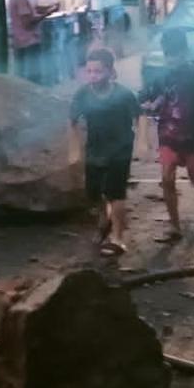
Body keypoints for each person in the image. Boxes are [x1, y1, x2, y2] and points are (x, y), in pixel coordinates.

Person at [142, 27, 194, 241]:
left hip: (192, 136)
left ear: (184, 53)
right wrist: (148, 106)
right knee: (167, 179)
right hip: (167, 136)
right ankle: (174, 226)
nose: (171, 59)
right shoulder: (160, 76)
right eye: (168, 55)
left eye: (175, 54)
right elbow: (147, 98)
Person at [69, 47, 139, 256]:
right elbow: (72, 122)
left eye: (97, 71)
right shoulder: (82, 94)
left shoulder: (124, 94)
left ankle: (118, 239)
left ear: (109, 71)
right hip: (95, 150)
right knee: (95, 194)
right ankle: (104, 221)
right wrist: (74, 149)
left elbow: (140, 116)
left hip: (120, 151)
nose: (92, 76)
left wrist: (143, 141)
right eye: (89, 71)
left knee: (116, 195)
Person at [8, 0, 56, 83]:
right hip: (28, 42)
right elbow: (27, 23)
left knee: (22, 76)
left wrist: (48, 8)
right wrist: (48, 14)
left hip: (20, 41)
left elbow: (31, 11)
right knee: (33, 77)